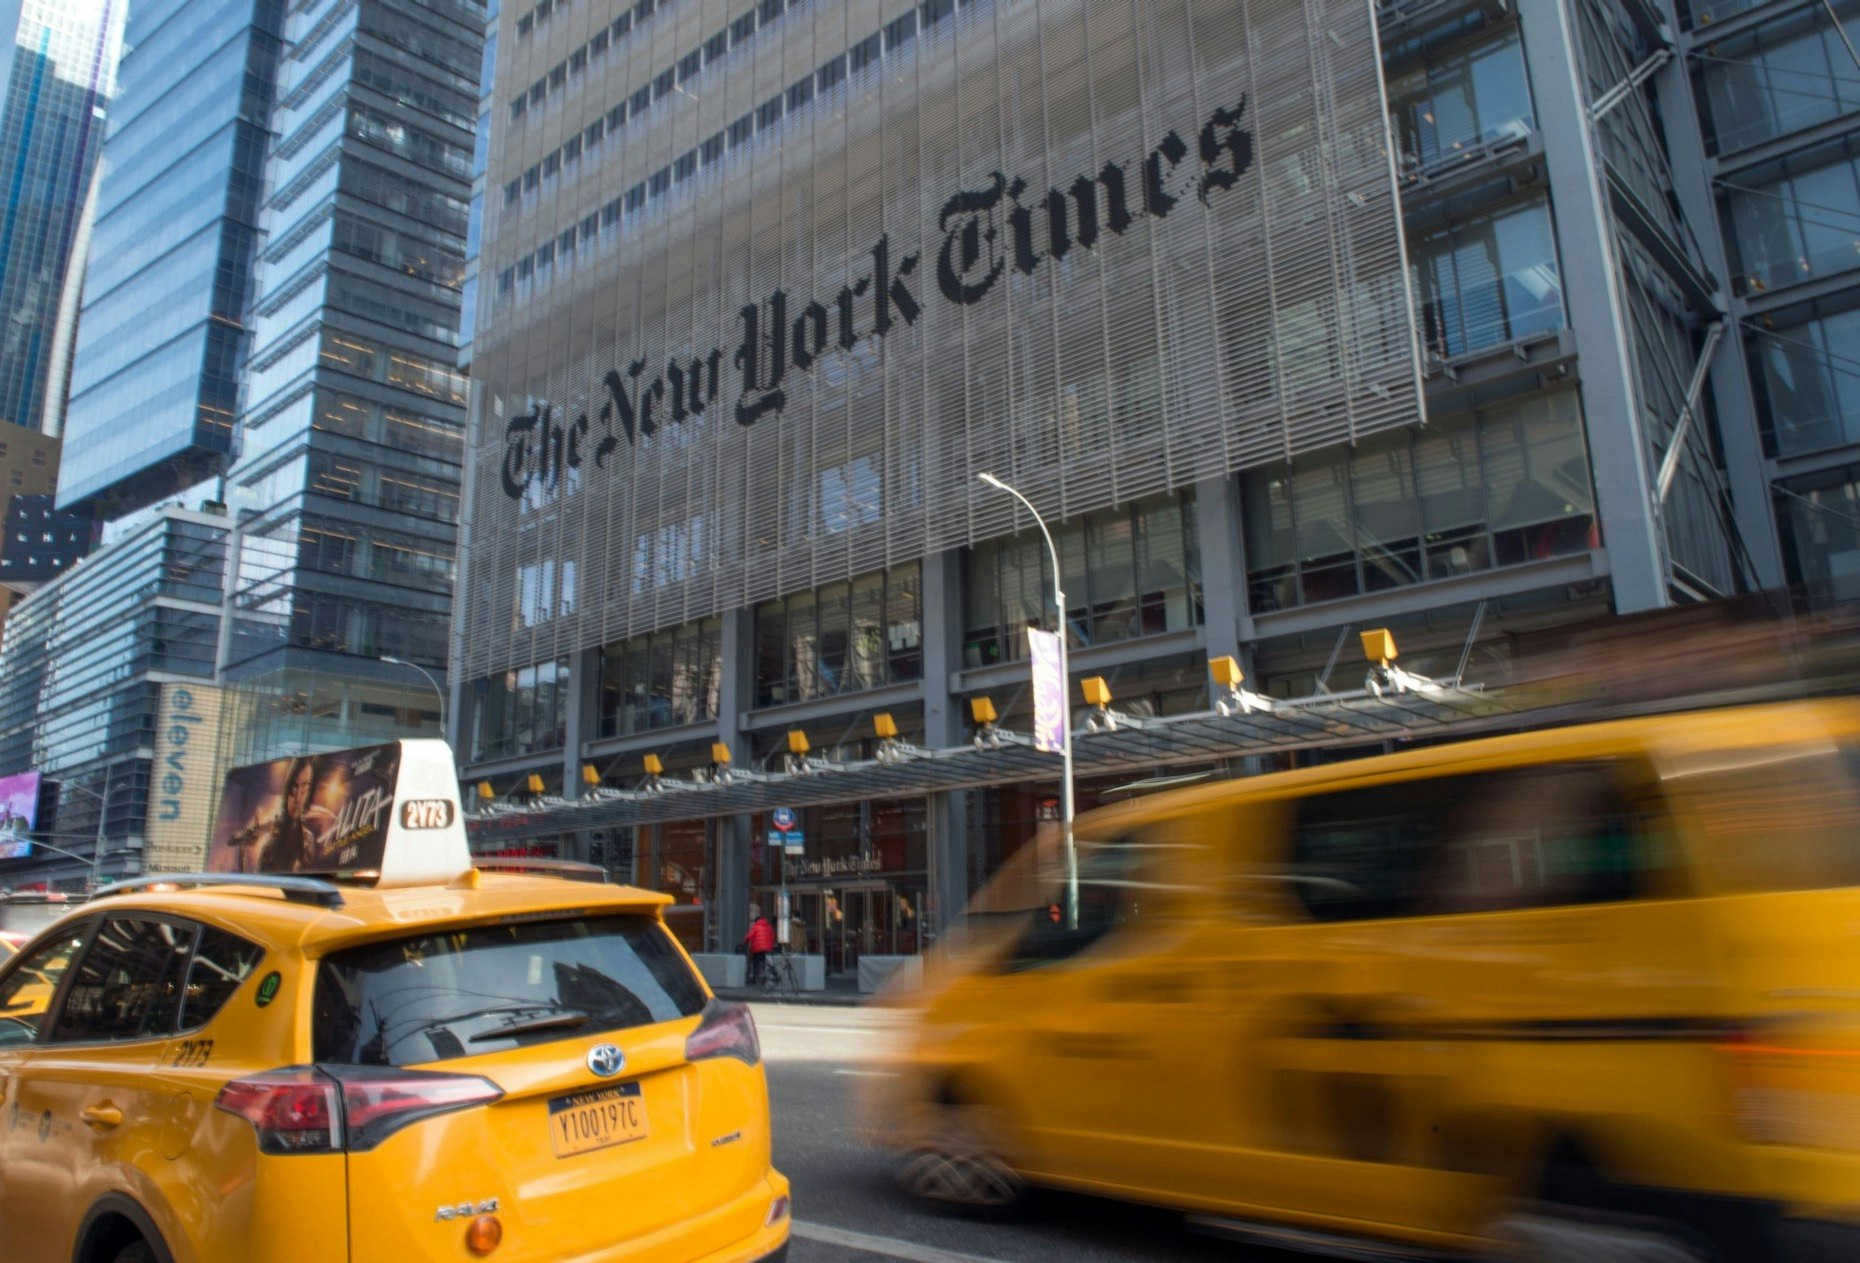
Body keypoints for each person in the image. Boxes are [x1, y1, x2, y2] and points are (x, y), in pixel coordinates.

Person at [230, 757, 326, 873]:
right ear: (287, 790)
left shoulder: (308, 840)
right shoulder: (271, 830)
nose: (298, 799)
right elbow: (234, 840)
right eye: (294, 789)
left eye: (305, 790)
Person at [742, 905, 775, 985]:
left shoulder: (756, 926)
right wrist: (771, 946)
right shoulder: (769, 926)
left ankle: (755, 978)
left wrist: (745, 942)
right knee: (763, 962)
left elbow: (749, 936)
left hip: (757, 949)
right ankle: (763, 977)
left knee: (756, 963)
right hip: (766, 948)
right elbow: (773, 936)